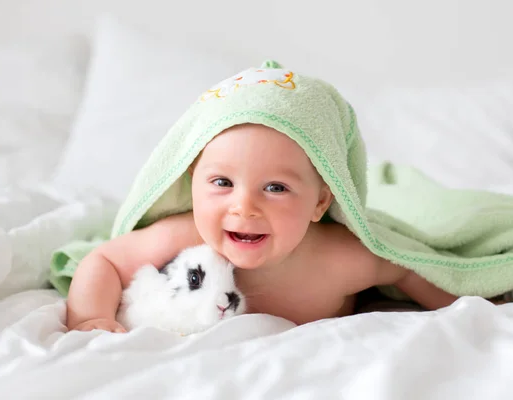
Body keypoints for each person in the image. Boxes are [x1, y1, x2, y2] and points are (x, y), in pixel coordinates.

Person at [65, 65, 463, 333]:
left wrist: (472, 307)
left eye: (275, 188)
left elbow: (405, 269)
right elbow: (103, 260)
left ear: (321, 203)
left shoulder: (340, 260)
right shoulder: (182, 239)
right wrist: (90, 318)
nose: (244, 207)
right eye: (222, 182)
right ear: (192, 179)